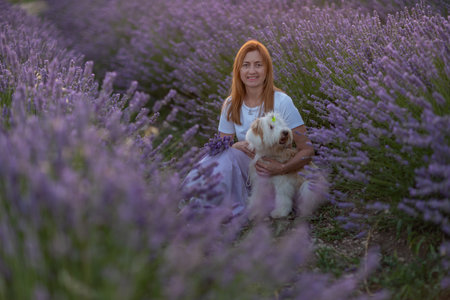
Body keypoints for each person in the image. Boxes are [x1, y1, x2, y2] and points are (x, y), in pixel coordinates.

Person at [183, 40, 314, 215]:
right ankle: (200, 201)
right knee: (223, 156)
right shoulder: (231, 104)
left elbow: (306, 149)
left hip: (275, 165)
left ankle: (210, 207)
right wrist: (235, 145)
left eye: (258, 65)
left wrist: (282, 168)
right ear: (239, 70)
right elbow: (222, 148)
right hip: (245, 169)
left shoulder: (282, 101)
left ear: (267, 70)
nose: (252, 71)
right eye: (246, 65)